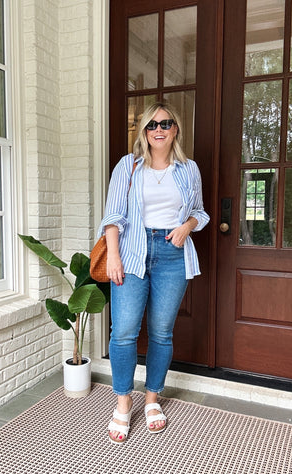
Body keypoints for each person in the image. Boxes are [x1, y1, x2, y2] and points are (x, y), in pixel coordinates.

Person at [98, 101, 210, 444]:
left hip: (172, 254)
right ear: (143, 131)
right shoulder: (128, 167)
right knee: (124, 332)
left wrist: (186, 226)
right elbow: (113, 217)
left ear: (175, 129)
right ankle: (122, 403)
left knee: (161, 333)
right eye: (151, 125)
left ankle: (151, 400)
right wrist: (114, 257)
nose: (158, 130)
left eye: (165, 123)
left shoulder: (188, 169)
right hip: (132, 254)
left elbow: (201, 213)